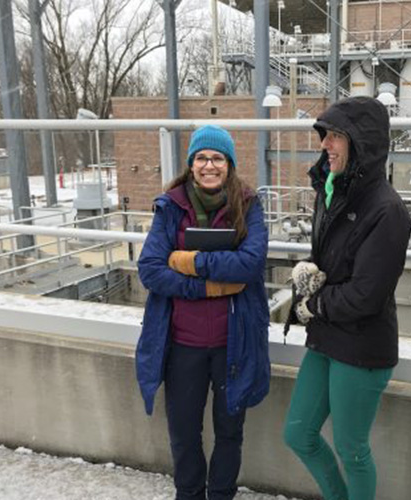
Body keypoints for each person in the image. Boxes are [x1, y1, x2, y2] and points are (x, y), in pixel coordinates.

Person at [282, 96, 411, 500]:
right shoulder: (331, 189)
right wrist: (310, 271)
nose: (325, 145)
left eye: (335, 135)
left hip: (361, 344)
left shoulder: (387, 210)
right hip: (327, 336)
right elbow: (334, 261)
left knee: (352, 449)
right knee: (298, 433)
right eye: (326, 135)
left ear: (363, 143)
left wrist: (313, 304)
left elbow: (367, 294)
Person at [136, 125, 270, 500]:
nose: (209, 165)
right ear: (191, 164)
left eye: (217, 158)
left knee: (229, 431)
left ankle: (222, 495)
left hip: (234, 345)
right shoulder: (170, 207)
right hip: (183, 345)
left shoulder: (248, 204)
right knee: (183, 432)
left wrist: (188, 261)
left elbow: (250, 265)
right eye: (201, 158)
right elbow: (150, 269)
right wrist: (208, 286)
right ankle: (190, 494)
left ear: (229, 164)